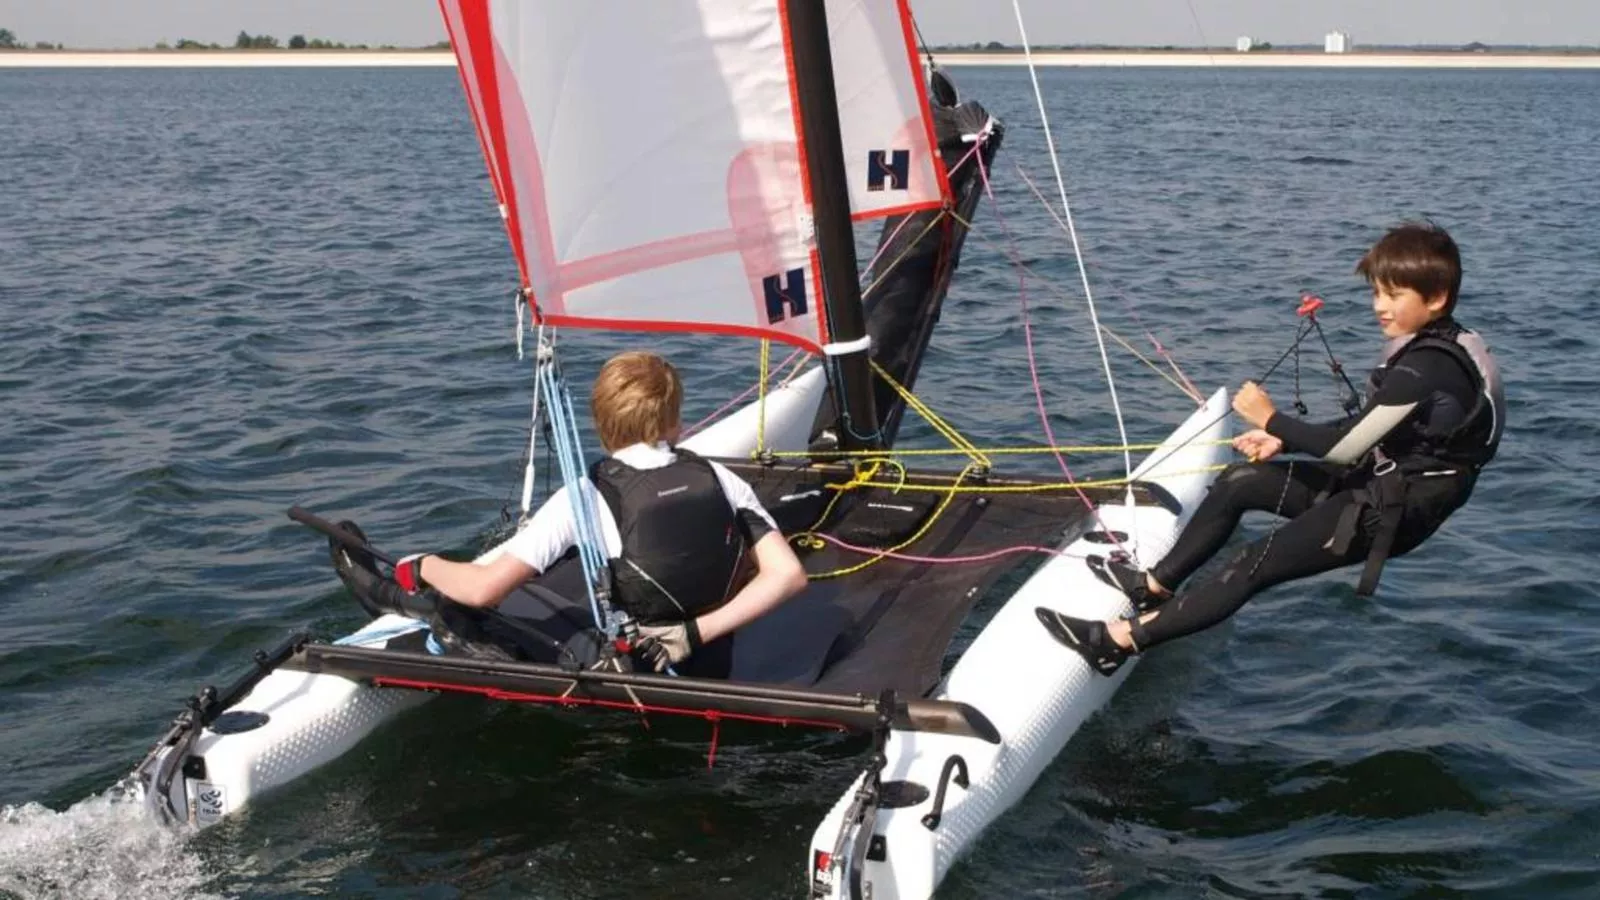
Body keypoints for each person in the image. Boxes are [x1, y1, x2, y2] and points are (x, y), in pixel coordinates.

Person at [1036, 222, 1504, 675]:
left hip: (1392, 511)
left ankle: (1116, 642)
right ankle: (1155, 587)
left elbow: (1345, 446)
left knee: (1252, 563)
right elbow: (1370, 428)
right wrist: (1283, 439)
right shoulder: (1436, 346)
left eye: (1393, 295)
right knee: (1241, 483)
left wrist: (1270, 417)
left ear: (1437, 298)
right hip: (1375, 482)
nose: (1379, 306)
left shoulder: (1428, 366)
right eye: (1376, 292)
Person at [333, 351, 809, 677]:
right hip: (709, 661)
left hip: (636, 672)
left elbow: (484, 588)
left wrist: (423, 564)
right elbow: (787, 576)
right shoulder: (722, 479)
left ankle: (402, 600)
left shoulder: (586, 494)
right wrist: (692, 634)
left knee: (483, 603)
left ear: (601, 426)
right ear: (674, 422)